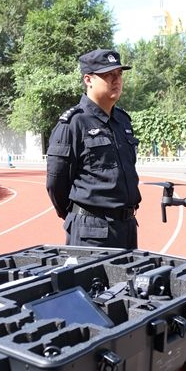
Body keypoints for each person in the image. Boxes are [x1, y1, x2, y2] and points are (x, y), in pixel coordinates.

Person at [46, 49, 142, 249]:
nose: (116, 80)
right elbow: (56, 183)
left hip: (127, 228)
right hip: (92, 232)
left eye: (119, 74)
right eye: (108, 75)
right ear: (88, 80)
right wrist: (79, 216)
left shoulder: (123, 120)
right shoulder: (73, 124)